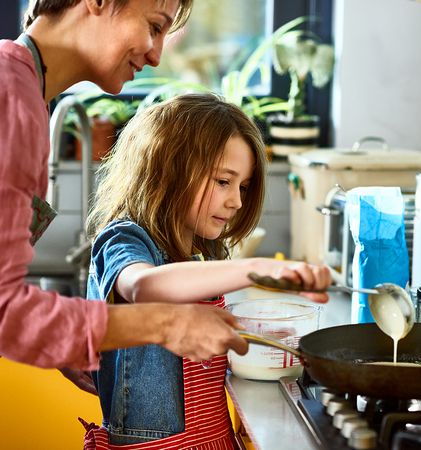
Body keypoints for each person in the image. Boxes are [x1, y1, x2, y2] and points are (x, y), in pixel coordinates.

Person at [0, 0, 330, 397]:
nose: (157, 56)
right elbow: (5, 311)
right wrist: (168, 324)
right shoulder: (11, 102)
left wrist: (70, 337)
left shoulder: (25, 95)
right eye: (154, 26)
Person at [80, 93, 329, 448]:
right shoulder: (124, 240)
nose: (237, 201)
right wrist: (257, 268)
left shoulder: (197, 252)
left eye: (242, 186)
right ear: (168, 170)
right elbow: (145, 288)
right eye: (223, 181)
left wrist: (262, 337)